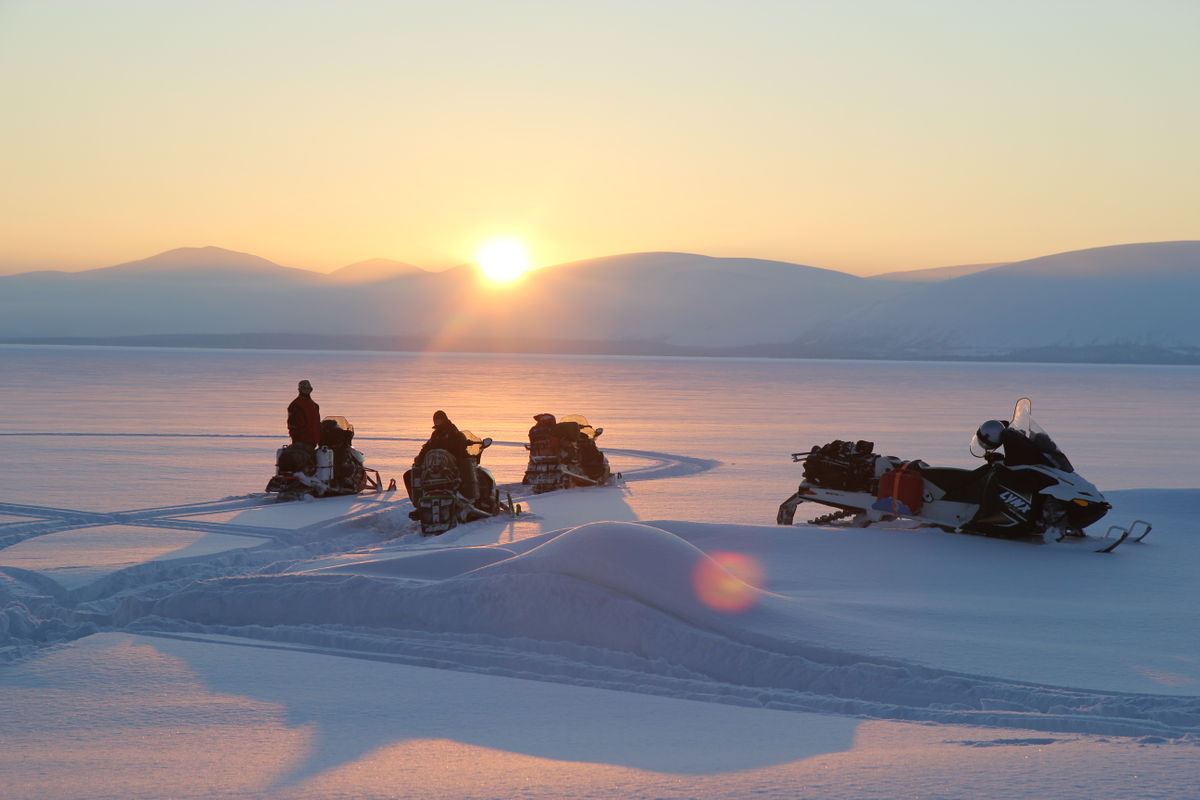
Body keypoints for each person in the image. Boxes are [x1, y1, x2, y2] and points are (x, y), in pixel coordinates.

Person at [414, 410, 477, 501]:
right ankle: (418, 497)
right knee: (413, 471)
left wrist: (464, 456)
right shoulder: (435, 434)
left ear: (444, 419)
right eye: (435, 420)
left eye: (439, 419)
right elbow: (427, 447)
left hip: (451, 465)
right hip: (434, 466)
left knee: (466, 465)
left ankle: (468, 495)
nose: (437, 422)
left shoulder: (454, 433)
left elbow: (461, 447)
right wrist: (420, 458)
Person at [287, 379, 321, 450]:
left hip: (313, 440)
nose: (306, 390)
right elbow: (293, 424)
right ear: (300, 390)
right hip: (301, 441)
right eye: (304, 389)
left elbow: (316, 423)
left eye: (308, 389)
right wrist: (298, 435)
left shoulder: (314, 405)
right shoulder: (296, 405)